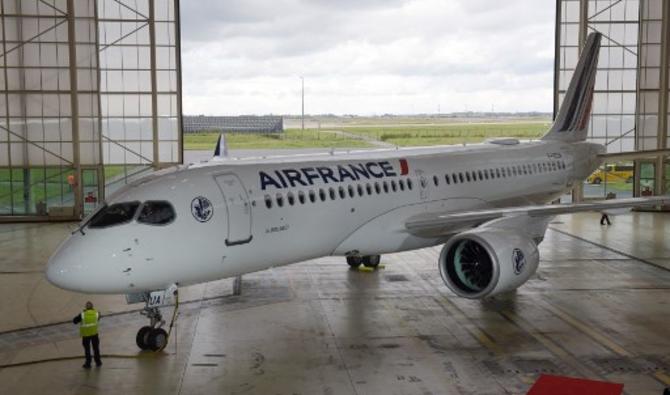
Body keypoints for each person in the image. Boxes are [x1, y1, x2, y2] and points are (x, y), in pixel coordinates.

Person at [73, 301, 102, 368]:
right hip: (94, 334)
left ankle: (88, 364)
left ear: (86, 307)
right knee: (96, 349)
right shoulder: (96, 313)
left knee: (87, 350)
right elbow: (98, 319)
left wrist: (80, 315)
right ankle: (98, 362)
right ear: (92, 307)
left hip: (86, 335)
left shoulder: (82, 314)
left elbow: (74, 321)